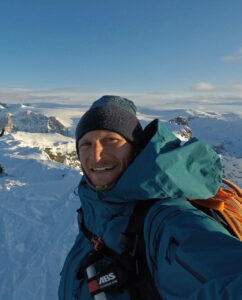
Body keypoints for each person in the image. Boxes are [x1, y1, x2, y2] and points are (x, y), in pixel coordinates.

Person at [58, 95, 242, 300]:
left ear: (135, 149)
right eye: (86, 143)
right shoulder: (98, 206)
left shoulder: (165, 220)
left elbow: (224, 273)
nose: (96, 155)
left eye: (111, 140)